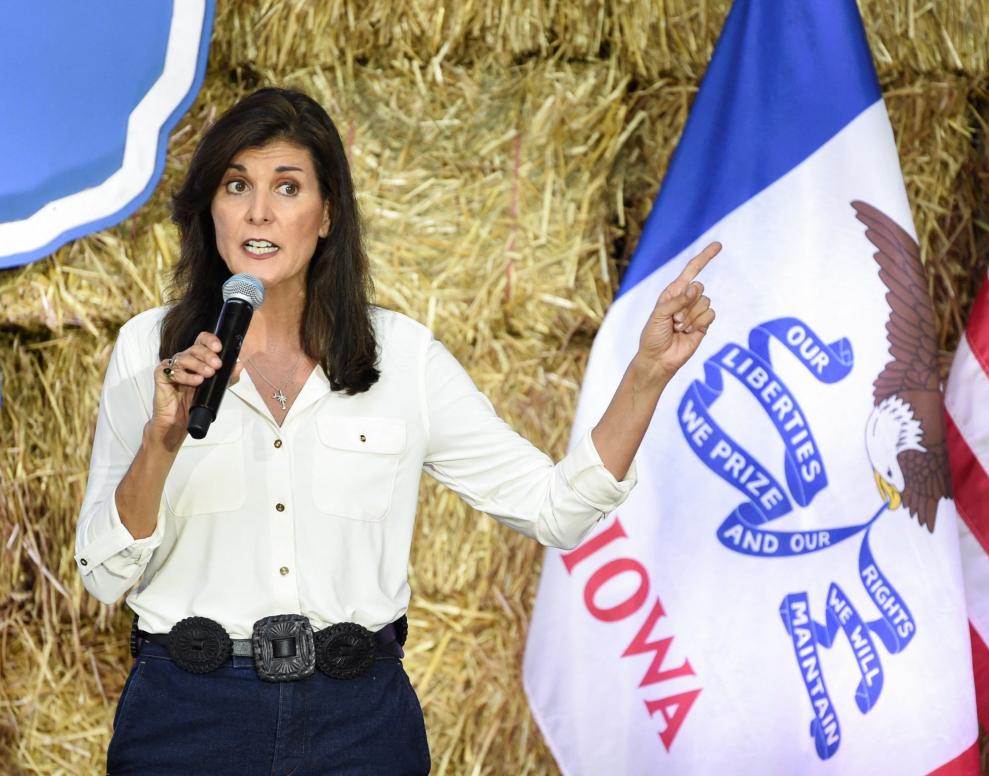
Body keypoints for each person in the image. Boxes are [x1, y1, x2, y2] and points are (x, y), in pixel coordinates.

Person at [74, 87, 719, 774]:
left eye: (286, 187)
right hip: (187, 716)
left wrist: (647, 373)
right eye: (237, 185)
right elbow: (105, 573)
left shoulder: (403, 358)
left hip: (357, 724)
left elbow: (554, 510)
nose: (259, 211)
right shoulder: (150, 349)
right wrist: (162, 440)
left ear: (325, 217)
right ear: (212, 210)